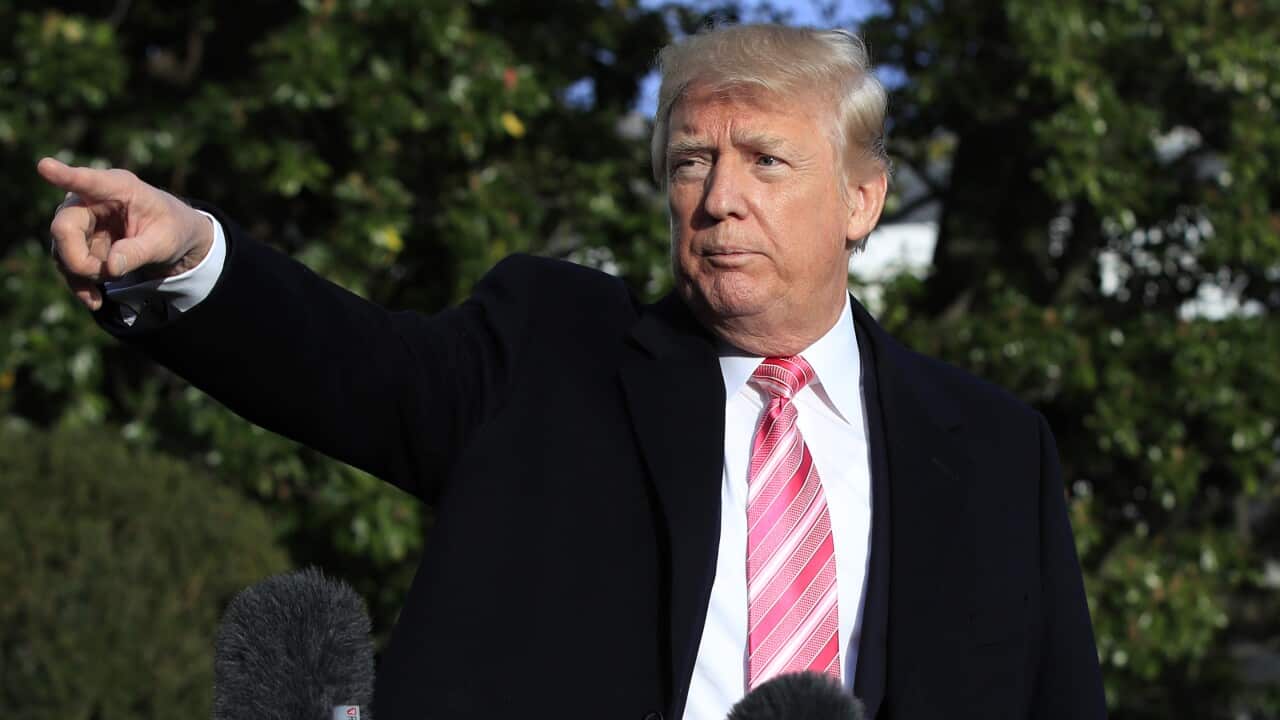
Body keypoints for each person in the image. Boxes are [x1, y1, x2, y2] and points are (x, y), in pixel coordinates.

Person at [38, 23, 1105, 720]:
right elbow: (348, 365)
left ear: (861, 200)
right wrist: (190, 259)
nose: (718, 196)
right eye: (691, 160)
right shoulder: (548, 353)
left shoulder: (992, 447)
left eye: (764, 161)